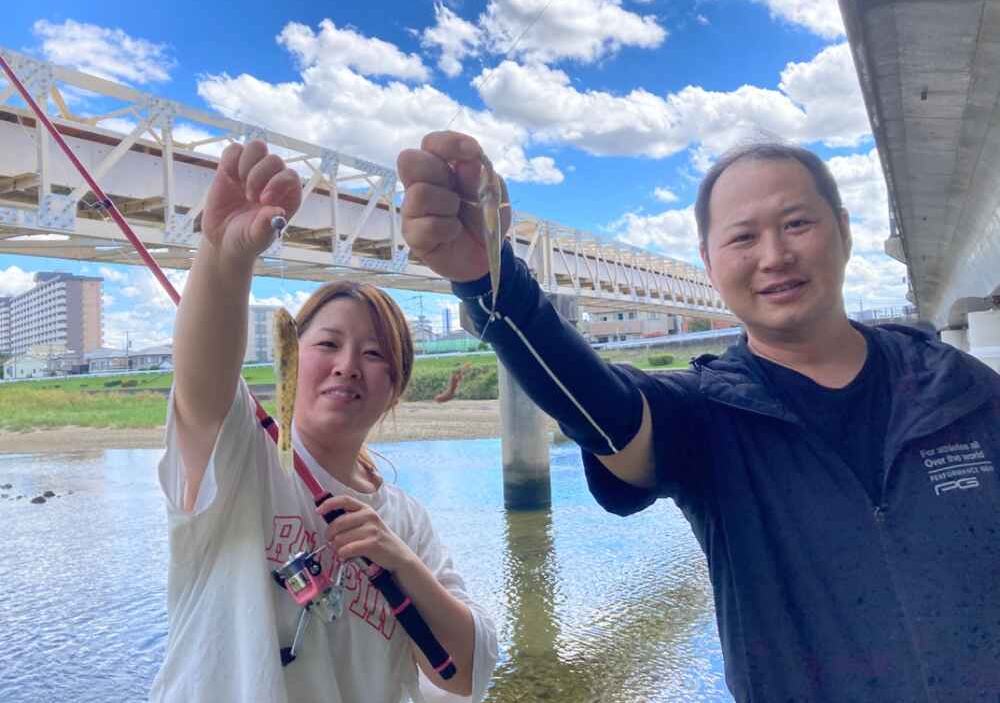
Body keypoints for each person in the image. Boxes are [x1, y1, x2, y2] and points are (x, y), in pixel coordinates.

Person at [397, 131, 1000, 703]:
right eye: (743, 238)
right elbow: (603, 408)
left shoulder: (960, 387)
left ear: (843, 231)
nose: (775, 256)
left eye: (797, 223)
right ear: (709, 264)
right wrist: (491, 282)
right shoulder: (705, 415)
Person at [150, 140, 497, 703]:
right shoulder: (243, 455)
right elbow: (200, 389)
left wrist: (400, 561)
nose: (347, 366)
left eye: (375, 354)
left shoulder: (405, 522)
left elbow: (466, 674)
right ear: (289, 358)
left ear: (394, 389)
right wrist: (224, 255)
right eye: (328, 344)